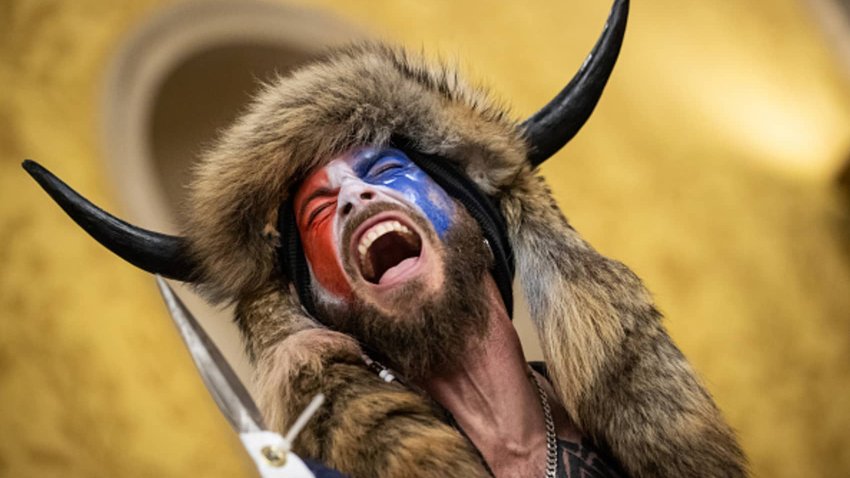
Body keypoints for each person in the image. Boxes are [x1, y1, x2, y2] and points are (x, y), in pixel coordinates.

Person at [24, 1, 748, 476]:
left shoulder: (621, 446)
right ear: (326, 311)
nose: (353, 197)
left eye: (385, 171)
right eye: (316, 213)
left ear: (473, 214)